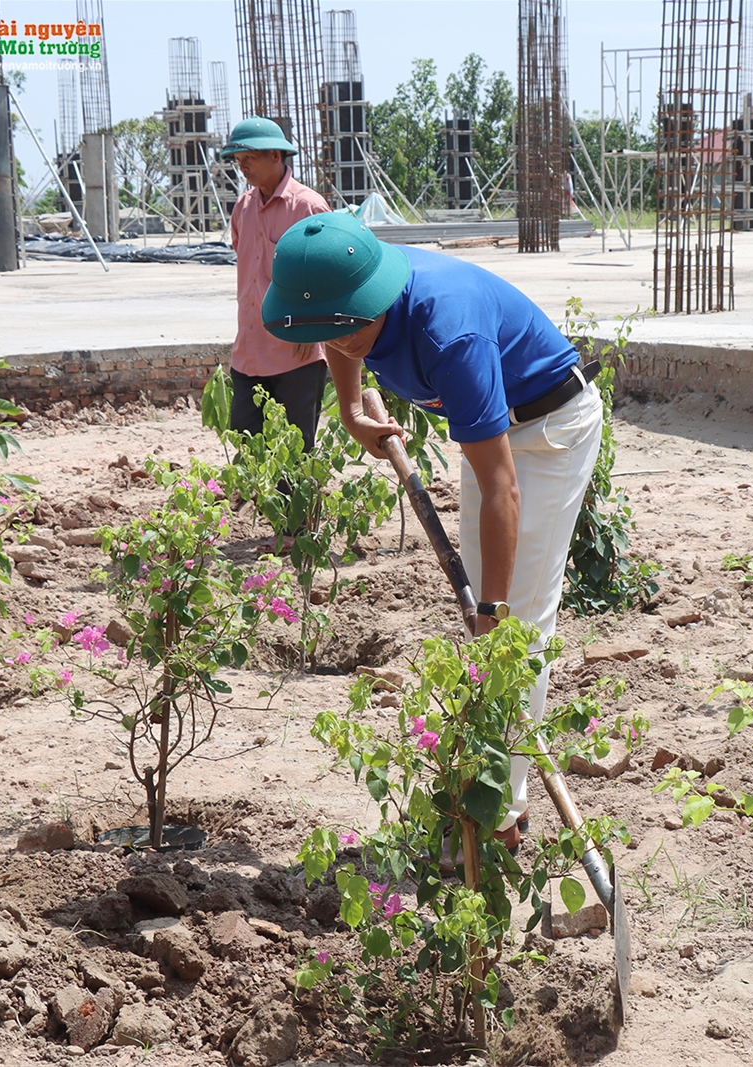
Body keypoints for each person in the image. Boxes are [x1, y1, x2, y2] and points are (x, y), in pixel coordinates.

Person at [262, 212, 601, 848]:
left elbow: (502, 489)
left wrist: (494, 612)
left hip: (548, 429)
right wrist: (351, 409)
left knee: (515, 624)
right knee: (484, 617)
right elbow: (333, 334)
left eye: (342, 330)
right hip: (491, 426)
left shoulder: (450, 336)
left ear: (372, 303)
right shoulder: (350, 295)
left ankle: (499, 815)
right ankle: (483, 792)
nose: (333, 341)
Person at [221, 116, 333, 451]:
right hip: (249, 351)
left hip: (295, 353)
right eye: (238, 159)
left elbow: (329, 275)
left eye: (249, 158)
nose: (243, 166)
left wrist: (312, 331)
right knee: (248, 449)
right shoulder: (243, 208)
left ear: (275, 156)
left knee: (295, 453)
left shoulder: (308, 207)